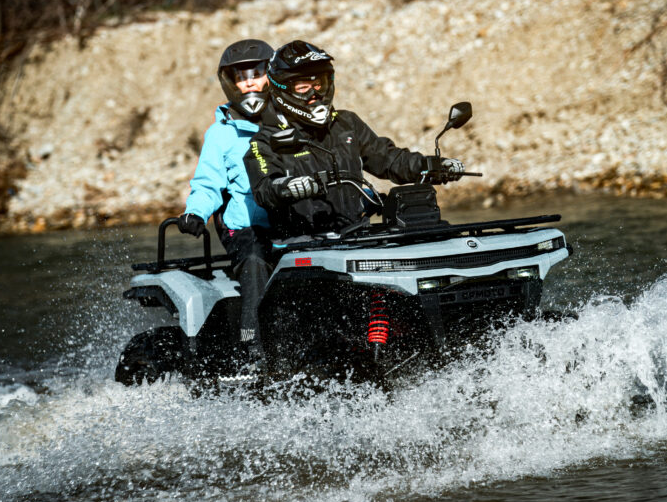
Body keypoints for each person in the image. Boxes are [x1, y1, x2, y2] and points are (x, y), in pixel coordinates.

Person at [244, 40, 464, 239]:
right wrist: (287, 187)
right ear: (282, 89)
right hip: (301, 243)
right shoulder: (264, 140)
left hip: (355, 236)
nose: (314, 95)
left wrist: (432, 166)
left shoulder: (346, 123)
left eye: (319, 84)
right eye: (303, 88)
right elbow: (265, 189)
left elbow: (388, 159)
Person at [177, 38, 275, 362]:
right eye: (241, 77)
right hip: (244, 228)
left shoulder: (287, 122)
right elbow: (208, 182)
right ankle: (252, 346)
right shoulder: (221, 133)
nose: (250, 82)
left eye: (256, 73)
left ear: (271, 74)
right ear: (231, 83)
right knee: (255, 259)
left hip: (291, 221)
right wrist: (195, 213)